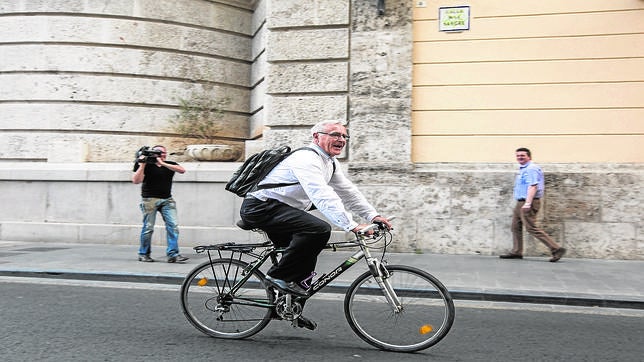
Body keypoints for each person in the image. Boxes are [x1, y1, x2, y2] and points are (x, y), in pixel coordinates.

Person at [239, 120, 392, 330]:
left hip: (282, 210)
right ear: (316, 137)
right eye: (334, 134)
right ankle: (276, 276)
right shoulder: (306, 158)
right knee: (319, 229)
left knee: (307, 255)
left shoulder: (329, 162)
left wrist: (374, 216)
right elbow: (322, 195)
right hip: (260, 208)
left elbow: (348, 192)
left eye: (344, 136)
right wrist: (351, 225)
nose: (341, 139)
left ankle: (288, 308)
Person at [500, 147, 566, 262]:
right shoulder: (523, 168)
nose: (519, 157)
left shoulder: (531, 168)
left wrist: (528, 203)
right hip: (521, 201)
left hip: (527, 201)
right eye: (518, 156)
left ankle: (556, 248)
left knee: (531, 228)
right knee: (515, 226)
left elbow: (533, 186)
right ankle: (517, 251)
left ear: (529, 156)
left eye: (522, 156)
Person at [132, 145, 189, 263]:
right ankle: (143, 253)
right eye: (158, 152)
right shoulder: (145, 164)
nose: (161, 154)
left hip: (167, 199)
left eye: (163, 153)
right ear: (152, 153)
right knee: (148, 228)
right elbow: (136, 180)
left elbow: (182, 170)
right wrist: (142, 164)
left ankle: (173, 254)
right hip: (149, 199)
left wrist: (162, 163)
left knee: (173, 226)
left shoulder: (169, 164)